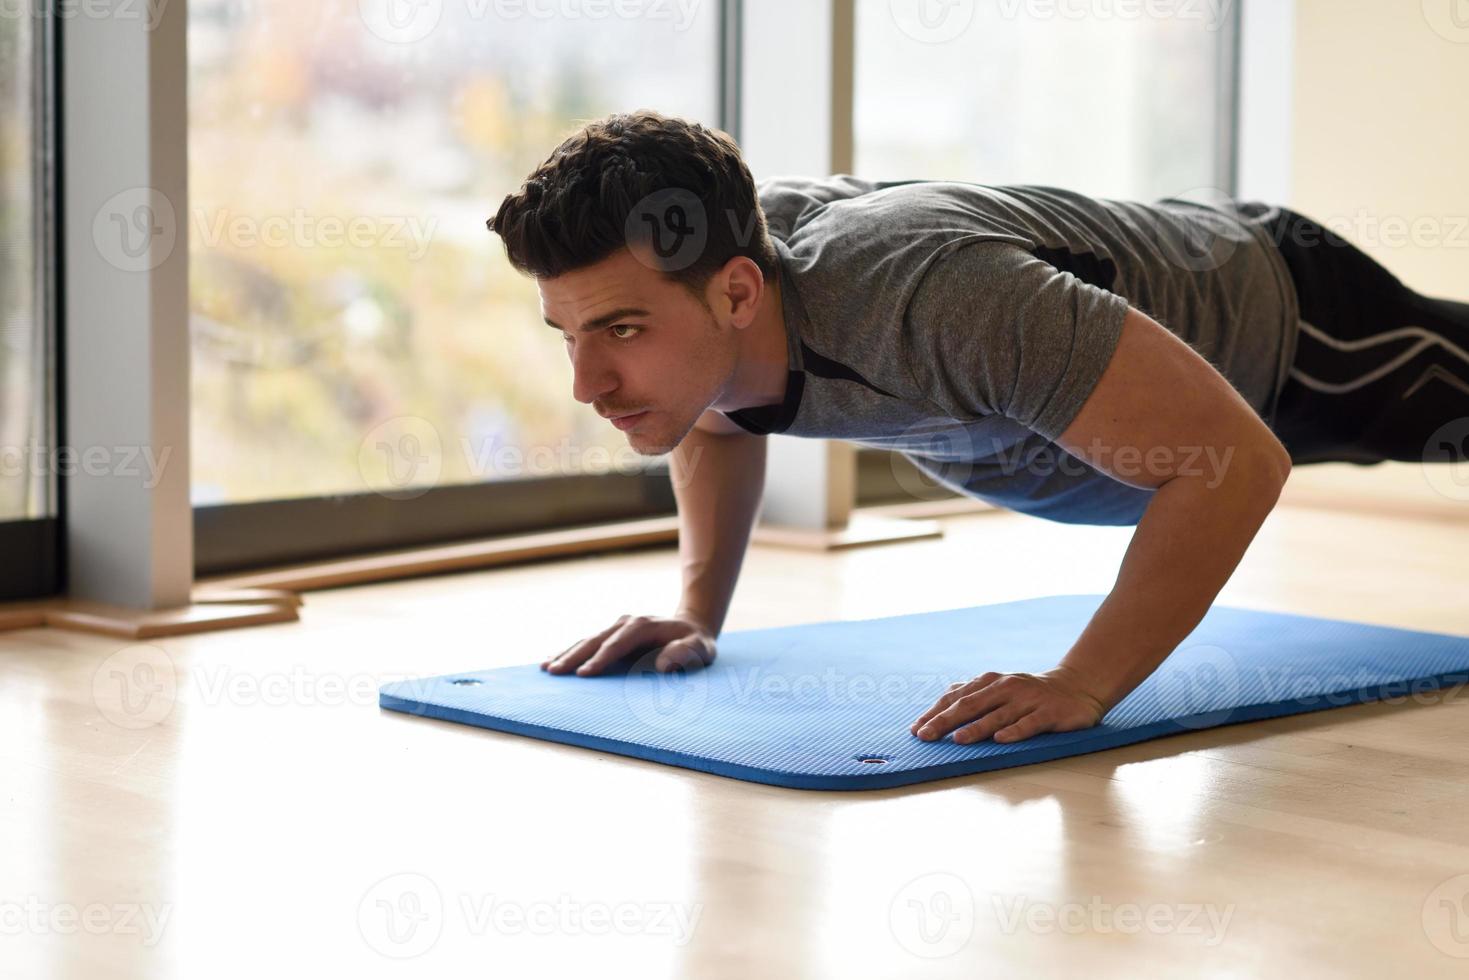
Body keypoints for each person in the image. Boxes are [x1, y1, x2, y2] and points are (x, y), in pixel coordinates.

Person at [486, 110, 1469, 746]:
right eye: (567, 333)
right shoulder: (717, 316)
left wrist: (1080, 683)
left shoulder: (930, 300)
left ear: (739, 292)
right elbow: (714, 407)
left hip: (1287, 319)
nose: (587, 382)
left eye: (618, 330)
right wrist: (698, 610)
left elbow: (1233, 464)